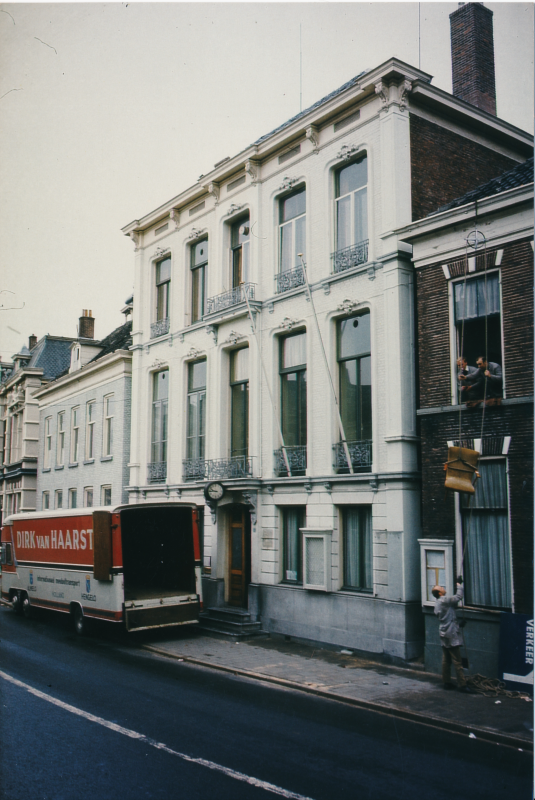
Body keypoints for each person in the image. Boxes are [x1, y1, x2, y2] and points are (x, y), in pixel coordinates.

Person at [432, 577, 475, 692]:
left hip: (443, 632)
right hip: (451, 634)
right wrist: (458, 585)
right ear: (440, 593)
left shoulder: (437, 604)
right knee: (457, 659)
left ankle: (446, 682)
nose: (443, 588)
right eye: (441, 587)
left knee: (446, 659)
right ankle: (462, 685)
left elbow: (447, 618)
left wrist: (458, 625)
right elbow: (458, 597)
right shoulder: (444, 600)